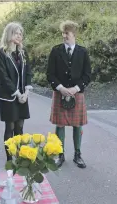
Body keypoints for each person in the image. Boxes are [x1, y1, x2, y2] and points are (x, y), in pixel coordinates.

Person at [47, 20, 91, 169]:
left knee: (77, 125)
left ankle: (77, 155)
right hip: (60, 92)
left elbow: (87, 75)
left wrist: (76, 88)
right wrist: (60, 88)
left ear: (74, 34)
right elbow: (50, 74)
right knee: (60, 125)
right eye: (63, 32)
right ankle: (60, 154)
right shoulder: (55, 50)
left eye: (67, 33)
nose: (64, 35)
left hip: (76, 93)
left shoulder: (83, 52)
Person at [0, 22, 33, 162]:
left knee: (20, 127)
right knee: (10, 128)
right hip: (9, 96)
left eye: (21, 34)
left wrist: (26, 93)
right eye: (16, 33)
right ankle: (10, 160)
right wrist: (17, 93)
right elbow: (4, 77)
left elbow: (28, 72)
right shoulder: (1, 53)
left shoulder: (23, 53)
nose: (19, 36)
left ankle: (20, 158)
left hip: (23, 95)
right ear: (9, 34)